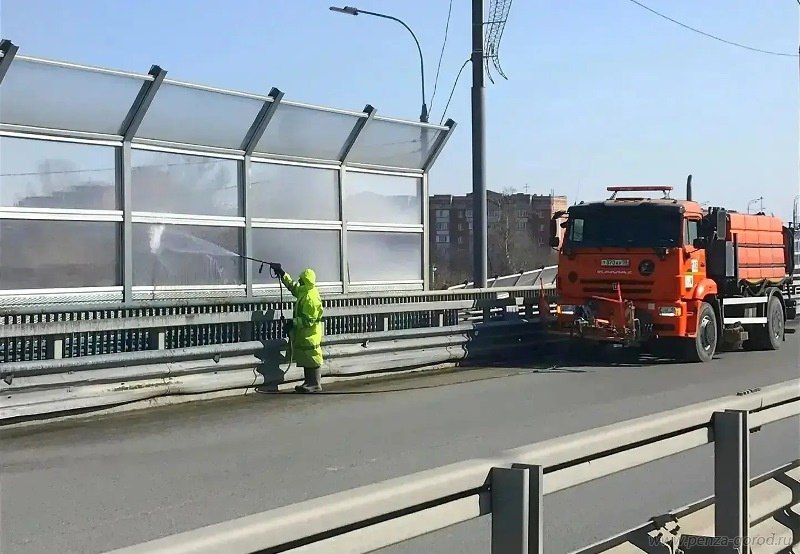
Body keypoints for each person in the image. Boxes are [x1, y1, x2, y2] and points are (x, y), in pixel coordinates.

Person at [269, 263, 324, 393]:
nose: (298, 281)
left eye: (301, 280)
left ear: (305, 281)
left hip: (310, 334)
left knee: (312, 357)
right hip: (305, 334)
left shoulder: (310, 298)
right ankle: (309, 382)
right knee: (306, 357)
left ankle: (315, 384)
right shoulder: (305, 291)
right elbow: (293, 287)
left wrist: (293, 322)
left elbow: (309, 320)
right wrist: (282, 273)